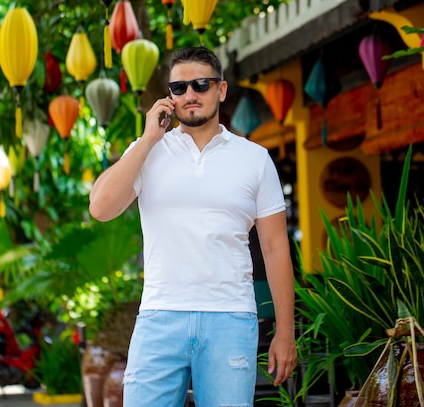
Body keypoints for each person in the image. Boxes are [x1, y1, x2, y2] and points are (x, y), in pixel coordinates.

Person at [89, 46, 297, 406]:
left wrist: (286, 332)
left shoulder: (255, 159)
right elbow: (101, 208)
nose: (190, 95)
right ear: (169, 96)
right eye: (179, 88)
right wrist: (149, 139)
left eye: (201, 84)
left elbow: (276, 248)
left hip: (230, 318)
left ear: (221, 90)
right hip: (159, 315)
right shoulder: (148, 150)